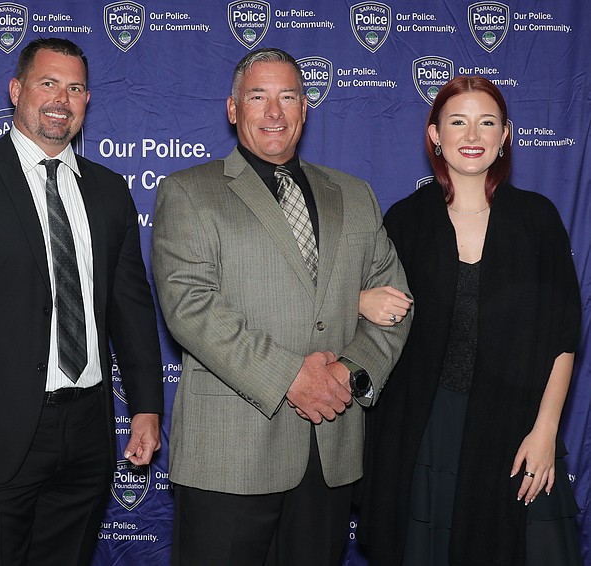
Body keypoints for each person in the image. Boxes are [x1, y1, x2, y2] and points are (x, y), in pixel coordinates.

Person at [0, 37, 164, 565]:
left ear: (88, 100)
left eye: (75, 88)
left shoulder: (110, 190)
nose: (61, 99)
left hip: (87, 434)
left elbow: (131, 308)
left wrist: (147, 407)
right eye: (48, 83)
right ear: (17, 90)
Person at [150, 47, 411, 566]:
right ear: (233, 108)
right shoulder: (190, 192)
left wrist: (347, 374)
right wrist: (293, 376)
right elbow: (190, 307)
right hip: (229, 459)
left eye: (287, 96)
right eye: (258, 96)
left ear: (305, 107)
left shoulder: (355, 195)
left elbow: (393, 302)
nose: (274, 112)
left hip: (329, 453)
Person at [356, 76, 583, 565]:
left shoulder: (537, 219)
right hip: (420, 431)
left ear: (506, 136)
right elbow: (350, 307)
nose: (472, 134)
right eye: (457, 122)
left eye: (487, 122)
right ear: (434, 134)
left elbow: (564, 337)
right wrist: (358, 300)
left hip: (516, 430)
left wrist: (545, 431)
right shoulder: (404, 221)